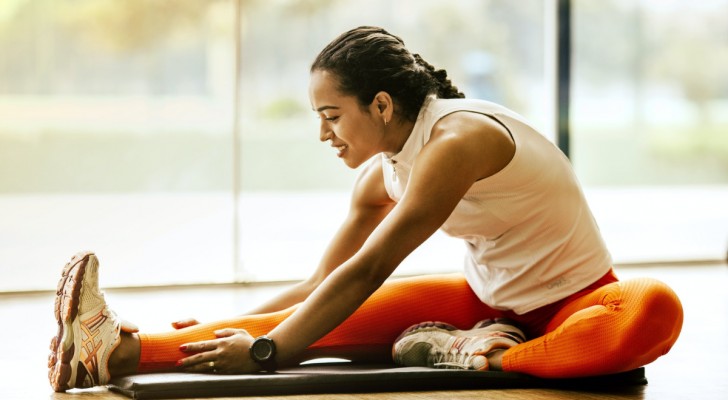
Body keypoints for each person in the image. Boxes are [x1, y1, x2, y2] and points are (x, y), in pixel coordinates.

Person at [48, 26, 683, 392]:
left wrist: (271, 353)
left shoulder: (458, 142)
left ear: (381, 105)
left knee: (655, 308)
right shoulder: (382, 174)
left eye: (332, 116)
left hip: (579, 303)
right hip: (487, 304)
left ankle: (479, 355)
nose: (324, 134)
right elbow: (321, 287)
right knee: (307, 318)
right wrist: (229, 327)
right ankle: (107, 351)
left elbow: (372, 266)